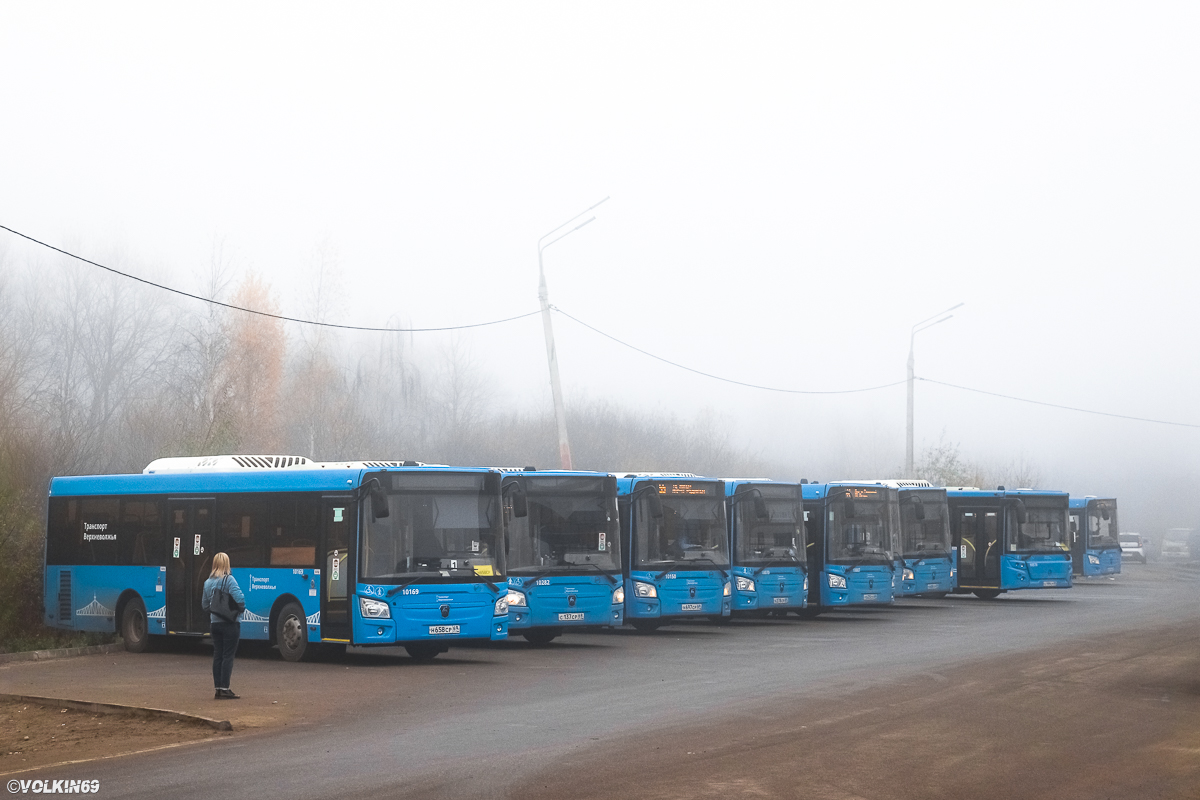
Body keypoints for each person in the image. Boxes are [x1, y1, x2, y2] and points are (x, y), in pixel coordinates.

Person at [201, 552, 245, 700]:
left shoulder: (207, 582)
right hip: (230, 624)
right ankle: (225, 688)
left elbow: (205, 605)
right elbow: (240, 599)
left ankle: (218, 689)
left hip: (215, 624)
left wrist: (216, 612)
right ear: (227, 564)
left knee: (218, 655)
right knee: (228, 656)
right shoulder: (229, 580)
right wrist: (237, 611)